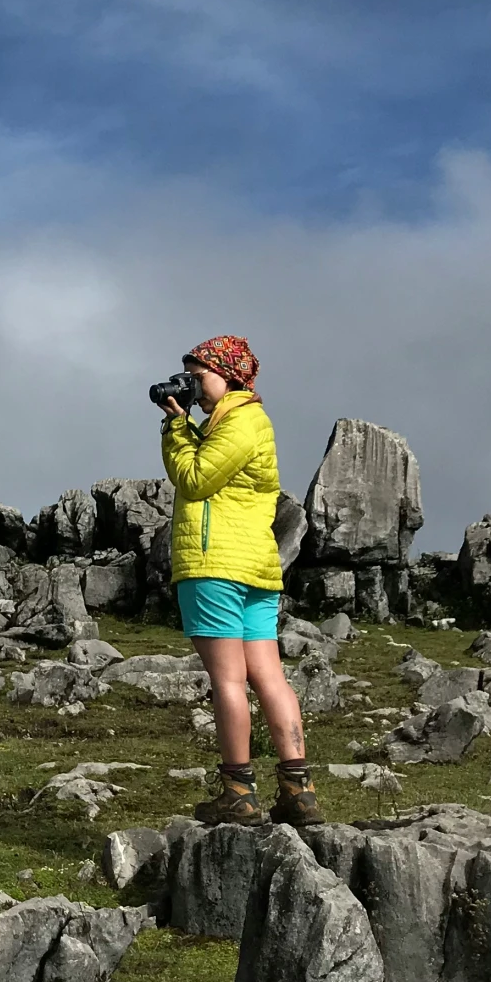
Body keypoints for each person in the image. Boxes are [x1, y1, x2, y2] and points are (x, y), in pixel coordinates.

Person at [157, 334, 320, 827]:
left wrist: (175, 427)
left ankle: (238, 791)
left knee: (228, 679)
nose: (192, 385)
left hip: (215, 567)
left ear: (228, 375)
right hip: (254, 569)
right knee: (268, 676)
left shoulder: (242, 421)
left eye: (198, 374)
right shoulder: (239, 421)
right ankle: (298, 790)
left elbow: (195, 479)